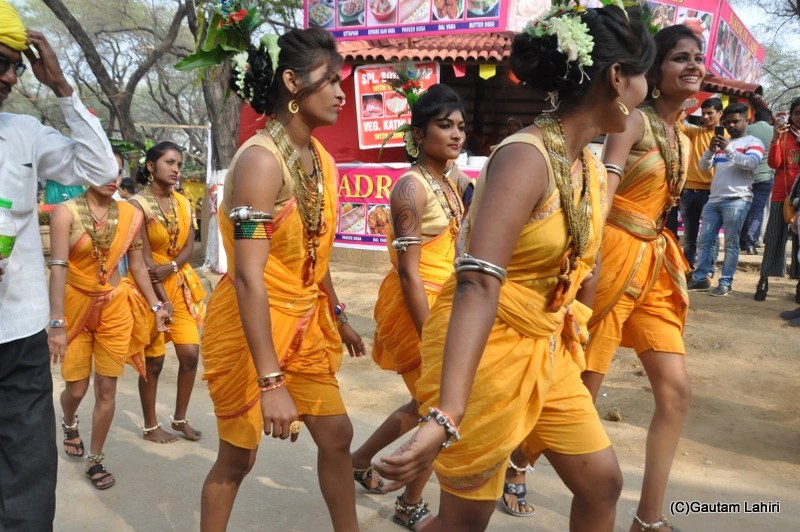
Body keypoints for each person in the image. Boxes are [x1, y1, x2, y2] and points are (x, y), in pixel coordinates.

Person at [374, 4, 654, 530]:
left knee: (602, 484)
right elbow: (478, 281)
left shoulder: (588, 166)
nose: (647, 97)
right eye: (643, 77)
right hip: (490, 353)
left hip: (548, 349)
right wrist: (446, 412)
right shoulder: (524, 157)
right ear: (617, 77)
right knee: (464, 521)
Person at [199, 28, 366, 531]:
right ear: (292, 82)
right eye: (330, 81)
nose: (341, 93)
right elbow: (249, 278)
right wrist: (271, 381)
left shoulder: (321, 161)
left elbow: (317, 251)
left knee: (336, 434)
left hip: (305, 324)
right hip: (252, 328)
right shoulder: (259, 162)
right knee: (238, 459)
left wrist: (336, 313)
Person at [0, 2, 119, 527]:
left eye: (15, 66)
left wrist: (63, 90)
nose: (8, 76)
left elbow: (99, 167)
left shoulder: (24, 132)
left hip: (17, 334)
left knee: (27, 470)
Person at [583, 25, 702, 531]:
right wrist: (587, 260)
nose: (693, 65)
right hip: (613, 257)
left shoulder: (679, 133)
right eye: (680, 58)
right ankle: (518, 463)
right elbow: (604, 188)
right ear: (656, 73)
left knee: (675, 392)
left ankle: (647, 520)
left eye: (697, 57)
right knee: (583, 388)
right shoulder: (632, 122)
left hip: (655, 263)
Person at [351, 84, 471, 527]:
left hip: (448, 303)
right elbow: (408, 272)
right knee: (439, 407)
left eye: (460, 126)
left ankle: (361, 460)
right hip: (414, 305)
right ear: (419, 135)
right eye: (444, 126)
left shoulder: (453, 182)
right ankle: (408, 505)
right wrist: (431, 335)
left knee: (432, 404)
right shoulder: (410, 187)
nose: (456, 134)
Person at [47, 170, 170, 490]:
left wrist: (157, 305)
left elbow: (138, 265)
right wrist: (57, 323)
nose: (112, 178)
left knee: (106, 389)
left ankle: (96, 459)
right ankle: (69, 421)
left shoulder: (130, 213)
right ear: (84, 172)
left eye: (116, 171)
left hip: (115, 308)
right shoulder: (66, 212)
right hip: (75, 308)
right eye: (101, 170)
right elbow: (58, 267)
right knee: (75, 389)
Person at [129, 142, 206, 443]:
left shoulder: (184, 202)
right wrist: (160, 296)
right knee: (154, 362)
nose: (176, 169)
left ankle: (179, 419)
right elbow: (144, 260)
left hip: (179, 282)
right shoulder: (136, 206)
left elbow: (190, 246)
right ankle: (150, 427)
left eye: (179, 164)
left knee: (190, 353)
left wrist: (172, 267)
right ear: (151, 166)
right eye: (169, 163)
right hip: (149, 288)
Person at [687, 103, 763, 296]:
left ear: (747, 120)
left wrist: (728, 149)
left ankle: (726, 282)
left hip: (738, 199)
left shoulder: (753, 142)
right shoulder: (721, 143)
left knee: (731, 244)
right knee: (704, 241)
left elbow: (751, 163)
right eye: (727, 122)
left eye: (735, 121)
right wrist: (711, 150)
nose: (731, 126)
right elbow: (704, 167)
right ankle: (700, 279)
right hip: (714, 199)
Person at [754, 97, 800, 302]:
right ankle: (763, 280)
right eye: (797, 112)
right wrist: (774, 138)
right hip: (782, 195)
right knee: (774, 238)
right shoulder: (783, 134)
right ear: (791, 114)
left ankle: (799, 284)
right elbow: (773, 163)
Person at [680, 97, 723, 270]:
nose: (705, 117)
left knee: (710, 236)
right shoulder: (694, 132)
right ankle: (688, 269)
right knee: (690, 235)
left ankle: (708, 271)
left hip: (713, 192)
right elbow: (675, 124)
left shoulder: (727, 136)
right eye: (703, 113)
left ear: (720, 113)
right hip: (690, 190)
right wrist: (684, 106)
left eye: (710, 113)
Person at [741, 108, 775, 254]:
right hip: (765, 176)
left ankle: (740, 240)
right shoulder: (775, 131)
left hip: (745, 175)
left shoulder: (746, 129)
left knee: (743, 207)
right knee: (757, 209)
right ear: (769, 119)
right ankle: (750, 243)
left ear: (754, 118)